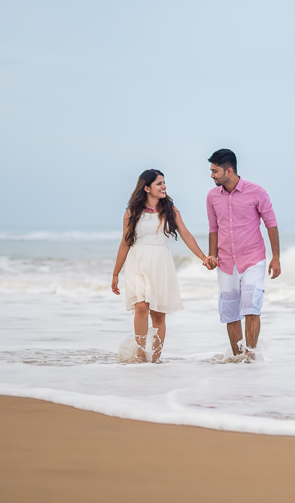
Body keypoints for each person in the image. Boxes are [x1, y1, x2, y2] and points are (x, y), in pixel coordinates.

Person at [112, 169, 215, 363]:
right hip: (137, 262)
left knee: (158, 313)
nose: (164, 186)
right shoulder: (131, 213)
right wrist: (116, 273)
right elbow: (125, 242)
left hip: (160, 263)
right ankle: (142, 355)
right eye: (159, 183)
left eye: (164, 182)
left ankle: (155, 359)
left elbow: (185, 234)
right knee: (141, 307)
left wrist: (203, 256)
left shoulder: (170, 210)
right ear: (146, 188)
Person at [206, 149, 280, 359]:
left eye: (215, 171)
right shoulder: (212, 196)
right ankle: (237, 358)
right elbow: (213, 228)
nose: (212, 175)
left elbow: (271, 224)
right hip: (225, 261)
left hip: (253, 259)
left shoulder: (257, 192)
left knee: (251, 306)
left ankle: (251, 356)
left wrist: (276, 257)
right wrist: (212, 255)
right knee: (229, 310)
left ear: (229, 170)